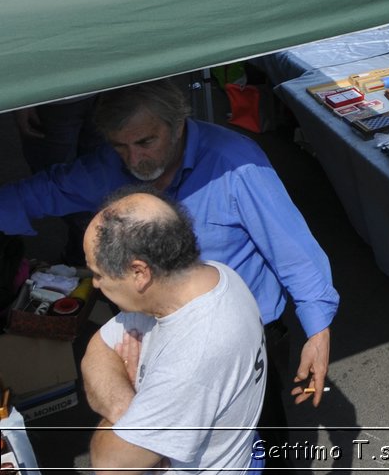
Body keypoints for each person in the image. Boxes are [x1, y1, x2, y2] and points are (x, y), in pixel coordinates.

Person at [0, 80, 335, 458]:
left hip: (245, 333)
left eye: (145, 142)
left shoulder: (235, 162)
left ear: (178, 126)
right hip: (156, 331)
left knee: (257, 435)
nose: (133, 160)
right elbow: (44, 191)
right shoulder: (111, 163)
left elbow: (293, 249)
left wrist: (318, 330)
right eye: (119, 146)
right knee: (177, 441)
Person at [81, 191, 268, 475]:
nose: (95, 284)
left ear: (139, 273)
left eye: (98, 274)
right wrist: (131, 415)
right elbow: (99, 349)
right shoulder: (213, 276)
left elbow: (110, 464)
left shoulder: (193, 358)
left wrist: (136, 427)